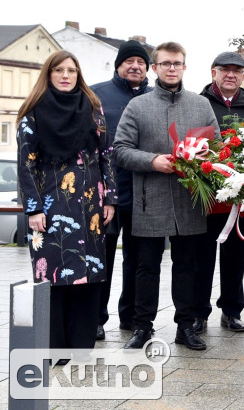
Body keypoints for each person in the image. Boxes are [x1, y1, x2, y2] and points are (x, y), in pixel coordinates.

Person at [114, 41, 218, 350]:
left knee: (187, 266)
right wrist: (152, 161)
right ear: (155, 68)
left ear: (185, 67)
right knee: (146, 267)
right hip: (149, 200)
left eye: (177, 63)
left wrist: (203, 159)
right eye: (165, 63)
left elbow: (218, 147)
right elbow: (120, 150)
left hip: (189, 199)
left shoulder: (200, 105)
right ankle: (142, 326)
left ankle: (185, 326)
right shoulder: (138, 106)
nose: (171, 68)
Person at [18, 50, 117, 350]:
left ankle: (81, 346)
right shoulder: (32, 113)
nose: (65, 75)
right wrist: (33, 209)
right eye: (59, 70)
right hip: (50, 207)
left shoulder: (92, 109)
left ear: (78, 75)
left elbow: (106, 156)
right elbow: (26, 165)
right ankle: (54, 347)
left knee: (88, 276)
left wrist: (110, 198)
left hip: (90, 208)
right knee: (53, 275)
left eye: (71, 70)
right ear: (48, 74)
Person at [193, 51, 244, 335]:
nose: (230, 74)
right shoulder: (198, 104)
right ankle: (199, 313)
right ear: (213, 73)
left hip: (240, 199)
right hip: (206, 197)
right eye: (225, 69)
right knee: (202, 259)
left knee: (235, 257)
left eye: (237, 70)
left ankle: (232, 311)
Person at [92, 40, 151, 341]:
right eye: (128, 61)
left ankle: (131, 316)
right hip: (108, 195)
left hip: (145, 193)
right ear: (118, 65)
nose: (135, 66)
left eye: (141, 62)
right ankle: (96, 318)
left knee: (139, 259)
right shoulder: (96, 95)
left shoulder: (155, 97)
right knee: (103, 257)